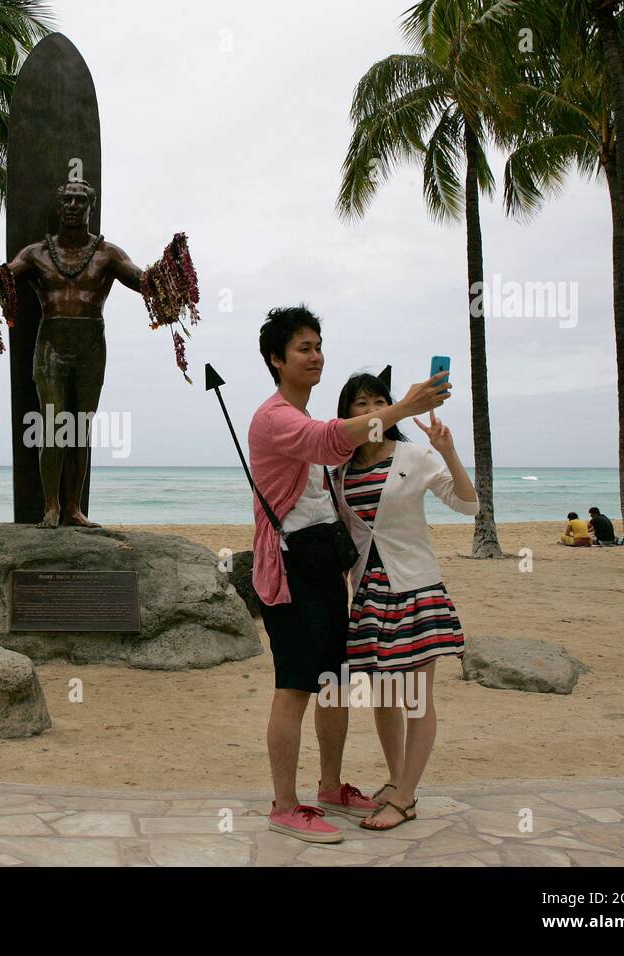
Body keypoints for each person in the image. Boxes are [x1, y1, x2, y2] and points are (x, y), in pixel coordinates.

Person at [249, 306, 449, 844]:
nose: (315, 356)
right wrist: (404, 405)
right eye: (302, 349)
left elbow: (345, 465)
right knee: (294, 687)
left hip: (326, 569)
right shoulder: (276, 418)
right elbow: (332, 439)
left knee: (333, 683)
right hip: (289, 570)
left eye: (318, 346)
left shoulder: (311, 422)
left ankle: (331, 786)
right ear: (276, 359)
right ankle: (284, 805)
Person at [331, 369, 478, 831]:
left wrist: (448, 450)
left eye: (379, 402)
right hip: (369, 594)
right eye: (361, 404)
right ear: (347, 413)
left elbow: (468, 505)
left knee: (416, 697)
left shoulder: (414, 456)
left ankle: (407, 797)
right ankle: (397, 782)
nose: (372, 411)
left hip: (415, 588)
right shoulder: (339, 471)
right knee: (384, 697)